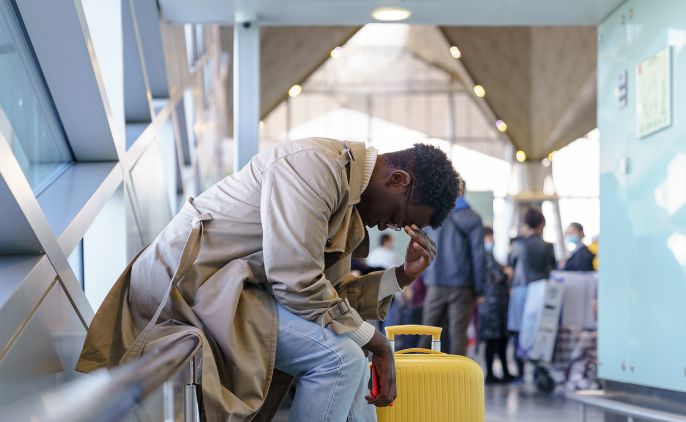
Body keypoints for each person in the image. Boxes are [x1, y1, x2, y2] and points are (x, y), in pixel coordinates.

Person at [76, 138, 460, 421]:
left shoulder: (345, 195)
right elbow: (296, 282)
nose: (390, 226)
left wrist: (400, 277)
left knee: (351, 356)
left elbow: (329, 296)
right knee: (340, 359)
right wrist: (378, 344)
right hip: (187, 288)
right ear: (397, 180)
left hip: (233, 292)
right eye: (399, 215)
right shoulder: (314, 166)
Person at [420, 184, 485, 356]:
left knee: (428, 332)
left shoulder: (431, 217)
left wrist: (427, 277)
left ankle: (419, 376)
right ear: (463, 191)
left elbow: (422, 249)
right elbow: (478, 256)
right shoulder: (472, 218)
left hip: (435, 283)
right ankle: (456, 379)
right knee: (458, 334)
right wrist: (479, 289)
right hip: (462, 286)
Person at [506, 208, 556, 381]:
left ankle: (520, 374)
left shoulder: (518, 245)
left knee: (519, 332)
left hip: (521, 291)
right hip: (541, 293)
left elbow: (510, 269)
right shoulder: (549, 247)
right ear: (542, 225)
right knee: (539, 332)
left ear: (526, 224)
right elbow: (553, 270)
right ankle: (538, 369)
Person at [478, 227, 512, 384]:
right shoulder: (485, 256)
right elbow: (498, 276)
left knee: (500, 340)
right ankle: (491, 374)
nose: (491, 241)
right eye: (488, 238)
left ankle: (504, 372)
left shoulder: (486, 255)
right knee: (493, 341)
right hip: (492, 305)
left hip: (496, 304)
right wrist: (506, 272)